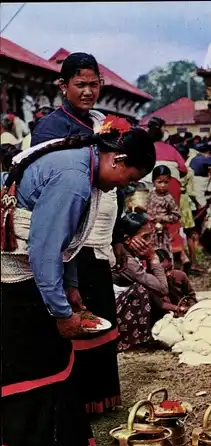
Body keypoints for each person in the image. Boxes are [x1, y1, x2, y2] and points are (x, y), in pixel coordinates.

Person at [1, 124, 155, 446]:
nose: (119, 187)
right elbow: (44, 249)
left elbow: (67, 241)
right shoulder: (73, 178)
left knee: (45, 361)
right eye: (124, 179)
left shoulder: (82, 165)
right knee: (43, 363)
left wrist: (70, 287)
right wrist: (61, 311)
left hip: (33, 274)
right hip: (21, 276)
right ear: (116, 159)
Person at [30, 52, 126, 414]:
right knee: (73, 308)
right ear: (63, 86)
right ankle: (78, 399)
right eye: (80, 84)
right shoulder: (51, 128)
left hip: (98, 226)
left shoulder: (102, 122)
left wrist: (117, 233)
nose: (88, 91)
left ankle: (101, 397)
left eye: (93, 84)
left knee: (97, 306)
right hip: (65, 225)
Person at [112, 212, 169, 351]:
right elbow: (162, 289)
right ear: (127, 239)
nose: (150, 242)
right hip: (115, 313)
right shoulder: (125, 260)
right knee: (141, 289)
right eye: (145, 237)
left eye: (150, 236)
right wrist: (153, 258)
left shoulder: (130, 254)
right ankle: (135, 342)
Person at [176, 143, 203, 274]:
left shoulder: (172, 169)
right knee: (190, 234)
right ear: (187, 156)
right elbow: (191, 192)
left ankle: (180, 260)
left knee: (174, 232)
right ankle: (193, 263)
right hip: (185, 202)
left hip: (173, 200)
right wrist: (198, 203)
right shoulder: (189, 171)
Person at [146, 165, 182, 257]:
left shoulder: (168, 198)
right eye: (159, 182)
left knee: (161, 255)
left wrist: (162, 218)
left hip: (160, 234)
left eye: (166, 182)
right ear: (153, 182)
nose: (163, 185)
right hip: (148, 230)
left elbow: (176, 216)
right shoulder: (151, 194)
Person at [152, 249, 197, 320]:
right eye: (164, 272)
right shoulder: (151, 282)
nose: (168, 274)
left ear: (170, 261)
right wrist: (177, 308)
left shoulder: (180, 275)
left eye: (170, 269)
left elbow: (191, 296)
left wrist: (192, 309)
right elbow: (159, 304)